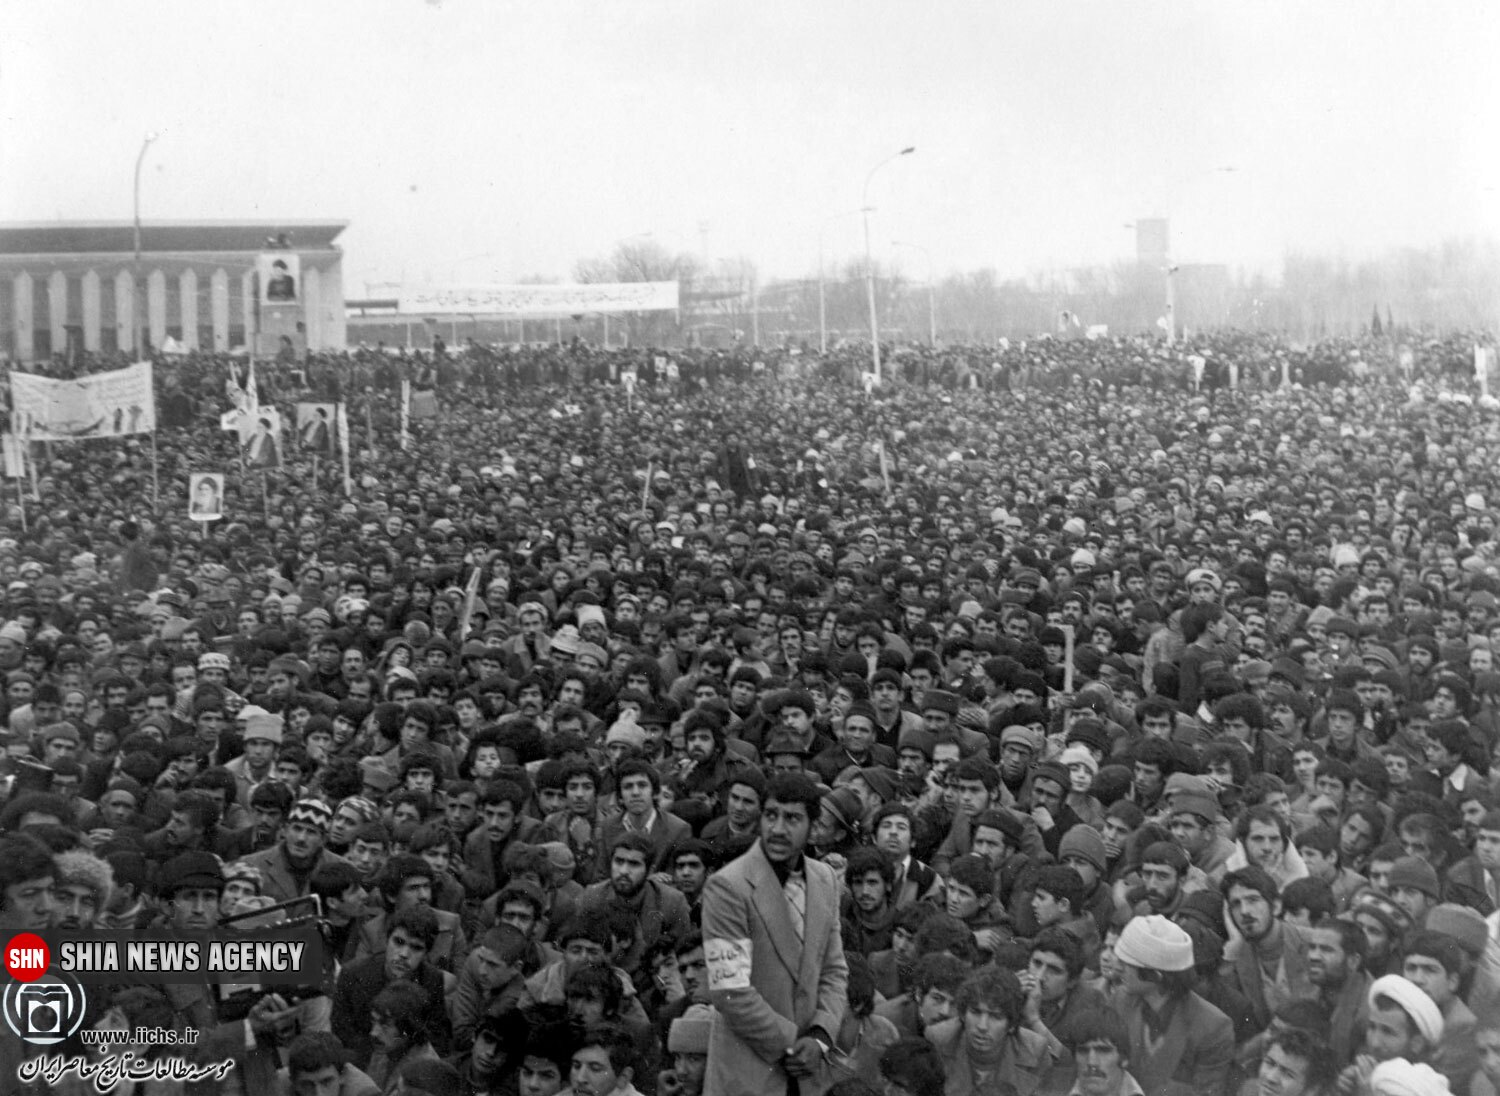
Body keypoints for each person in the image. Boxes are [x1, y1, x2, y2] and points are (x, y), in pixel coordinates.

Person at [701, 772, 849, 1096]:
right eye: (771, 815)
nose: (778, 829)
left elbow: (834, 969)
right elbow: (731, 991)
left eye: (793, 818)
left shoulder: (824, 879)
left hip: (810, 1074)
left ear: (813, 825)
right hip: (749, 1075)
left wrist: (821, 1037)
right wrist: (794, 1044)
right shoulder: (728, 886)